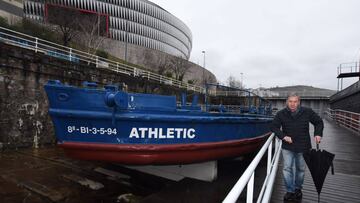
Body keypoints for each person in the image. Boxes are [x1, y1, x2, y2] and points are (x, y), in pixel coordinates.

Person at [271, 93, 324, 201]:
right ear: (287, 102)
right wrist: (283, 136)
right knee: (287, 168)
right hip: (288, 146)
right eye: (290, 101)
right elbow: (273, 126)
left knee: (300, 169)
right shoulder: (281, 114)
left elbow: (318, 122)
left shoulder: (307, 111)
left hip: (303, 146)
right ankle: (290, 191)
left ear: (299, 102)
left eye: (295, 101)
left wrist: (318, 134)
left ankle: (298, 189)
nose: (292, 104)